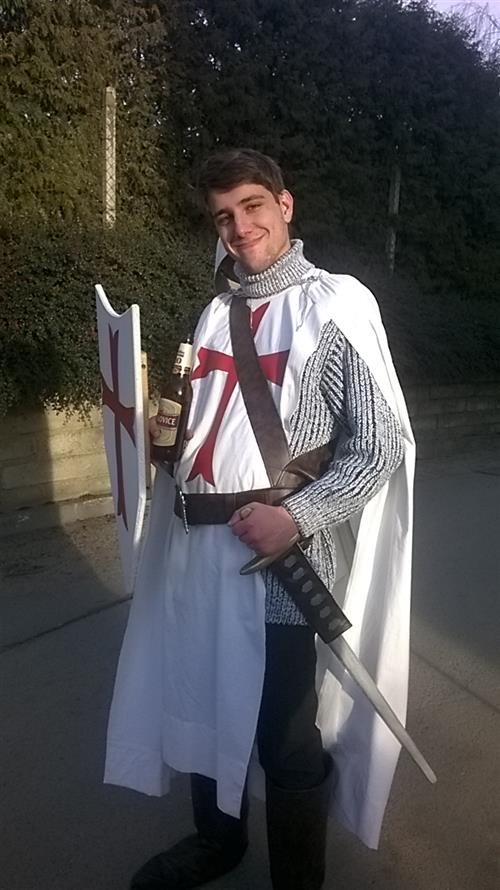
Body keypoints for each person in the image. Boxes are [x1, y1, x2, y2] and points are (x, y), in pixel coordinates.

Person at [104, 149, 415, 890]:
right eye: (223, 217)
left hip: (277, 561)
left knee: (284, 735)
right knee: (202, 702)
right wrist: (163, 445)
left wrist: (298, 518)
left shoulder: (336, 304)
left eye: (252, 206)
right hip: (196, 555)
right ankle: (219, 841)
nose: (240, 227)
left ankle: (297, 880)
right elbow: (202, 430)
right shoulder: (214, 314)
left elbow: (379, 447)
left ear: (284, 205)